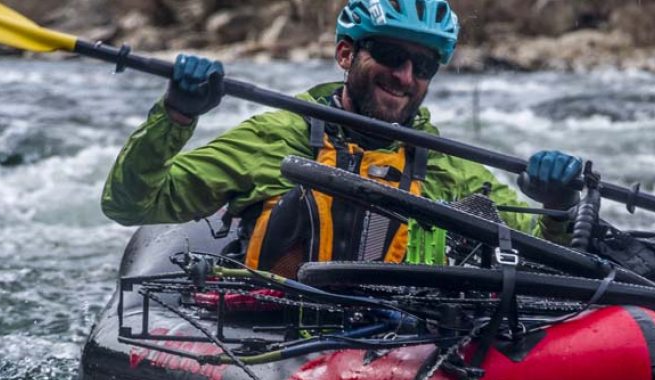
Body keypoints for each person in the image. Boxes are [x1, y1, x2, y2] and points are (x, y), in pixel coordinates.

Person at [101, 0, 583, 277]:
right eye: (391, 55)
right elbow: (130, 204)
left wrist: (557, 206)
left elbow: (543, 258)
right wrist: (177, 116)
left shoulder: (448, 168)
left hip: (395, 340)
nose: (404, 75)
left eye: (424, 66)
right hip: (269, 332)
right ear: (346, 54)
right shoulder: (274, 137)